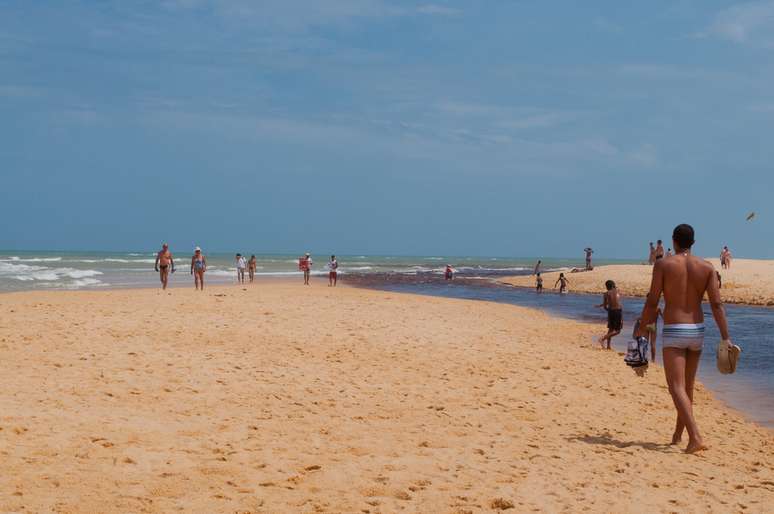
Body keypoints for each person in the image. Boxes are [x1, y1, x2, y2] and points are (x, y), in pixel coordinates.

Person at [639, 223, 734, 453]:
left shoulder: (663, 264)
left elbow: (653, 301)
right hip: (697, 331)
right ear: (693, 242)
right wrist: (726, 337)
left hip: (674, 329)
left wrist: (643, 329)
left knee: (675, 386)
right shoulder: (707, 267)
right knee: (687, 388)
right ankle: (678, 434)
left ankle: (695, 437)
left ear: (674, 241)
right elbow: (716, 304)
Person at [596, 280, 622, 349]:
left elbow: (606, 305)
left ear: (607, 287)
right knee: (617, 331)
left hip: (611, 311)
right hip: (618, 311)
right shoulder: (618, 291)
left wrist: (608, 310)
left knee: (611, 329)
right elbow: (616, 301)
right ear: (613, 285)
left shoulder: (606, 294)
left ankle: (608, 346)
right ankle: (602, 339)